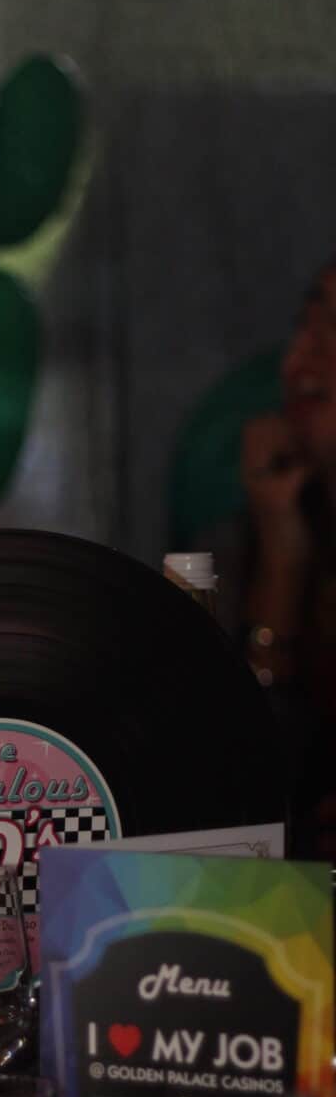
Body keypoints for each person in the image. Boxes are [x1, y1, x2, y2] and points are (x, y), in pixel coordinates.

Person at [206, 258, 336, 858]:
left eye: (333, 332)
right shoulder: (243, 544)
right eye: (304, 328)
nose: (297, 364)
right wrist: (282, 556)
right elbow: (233, 810)